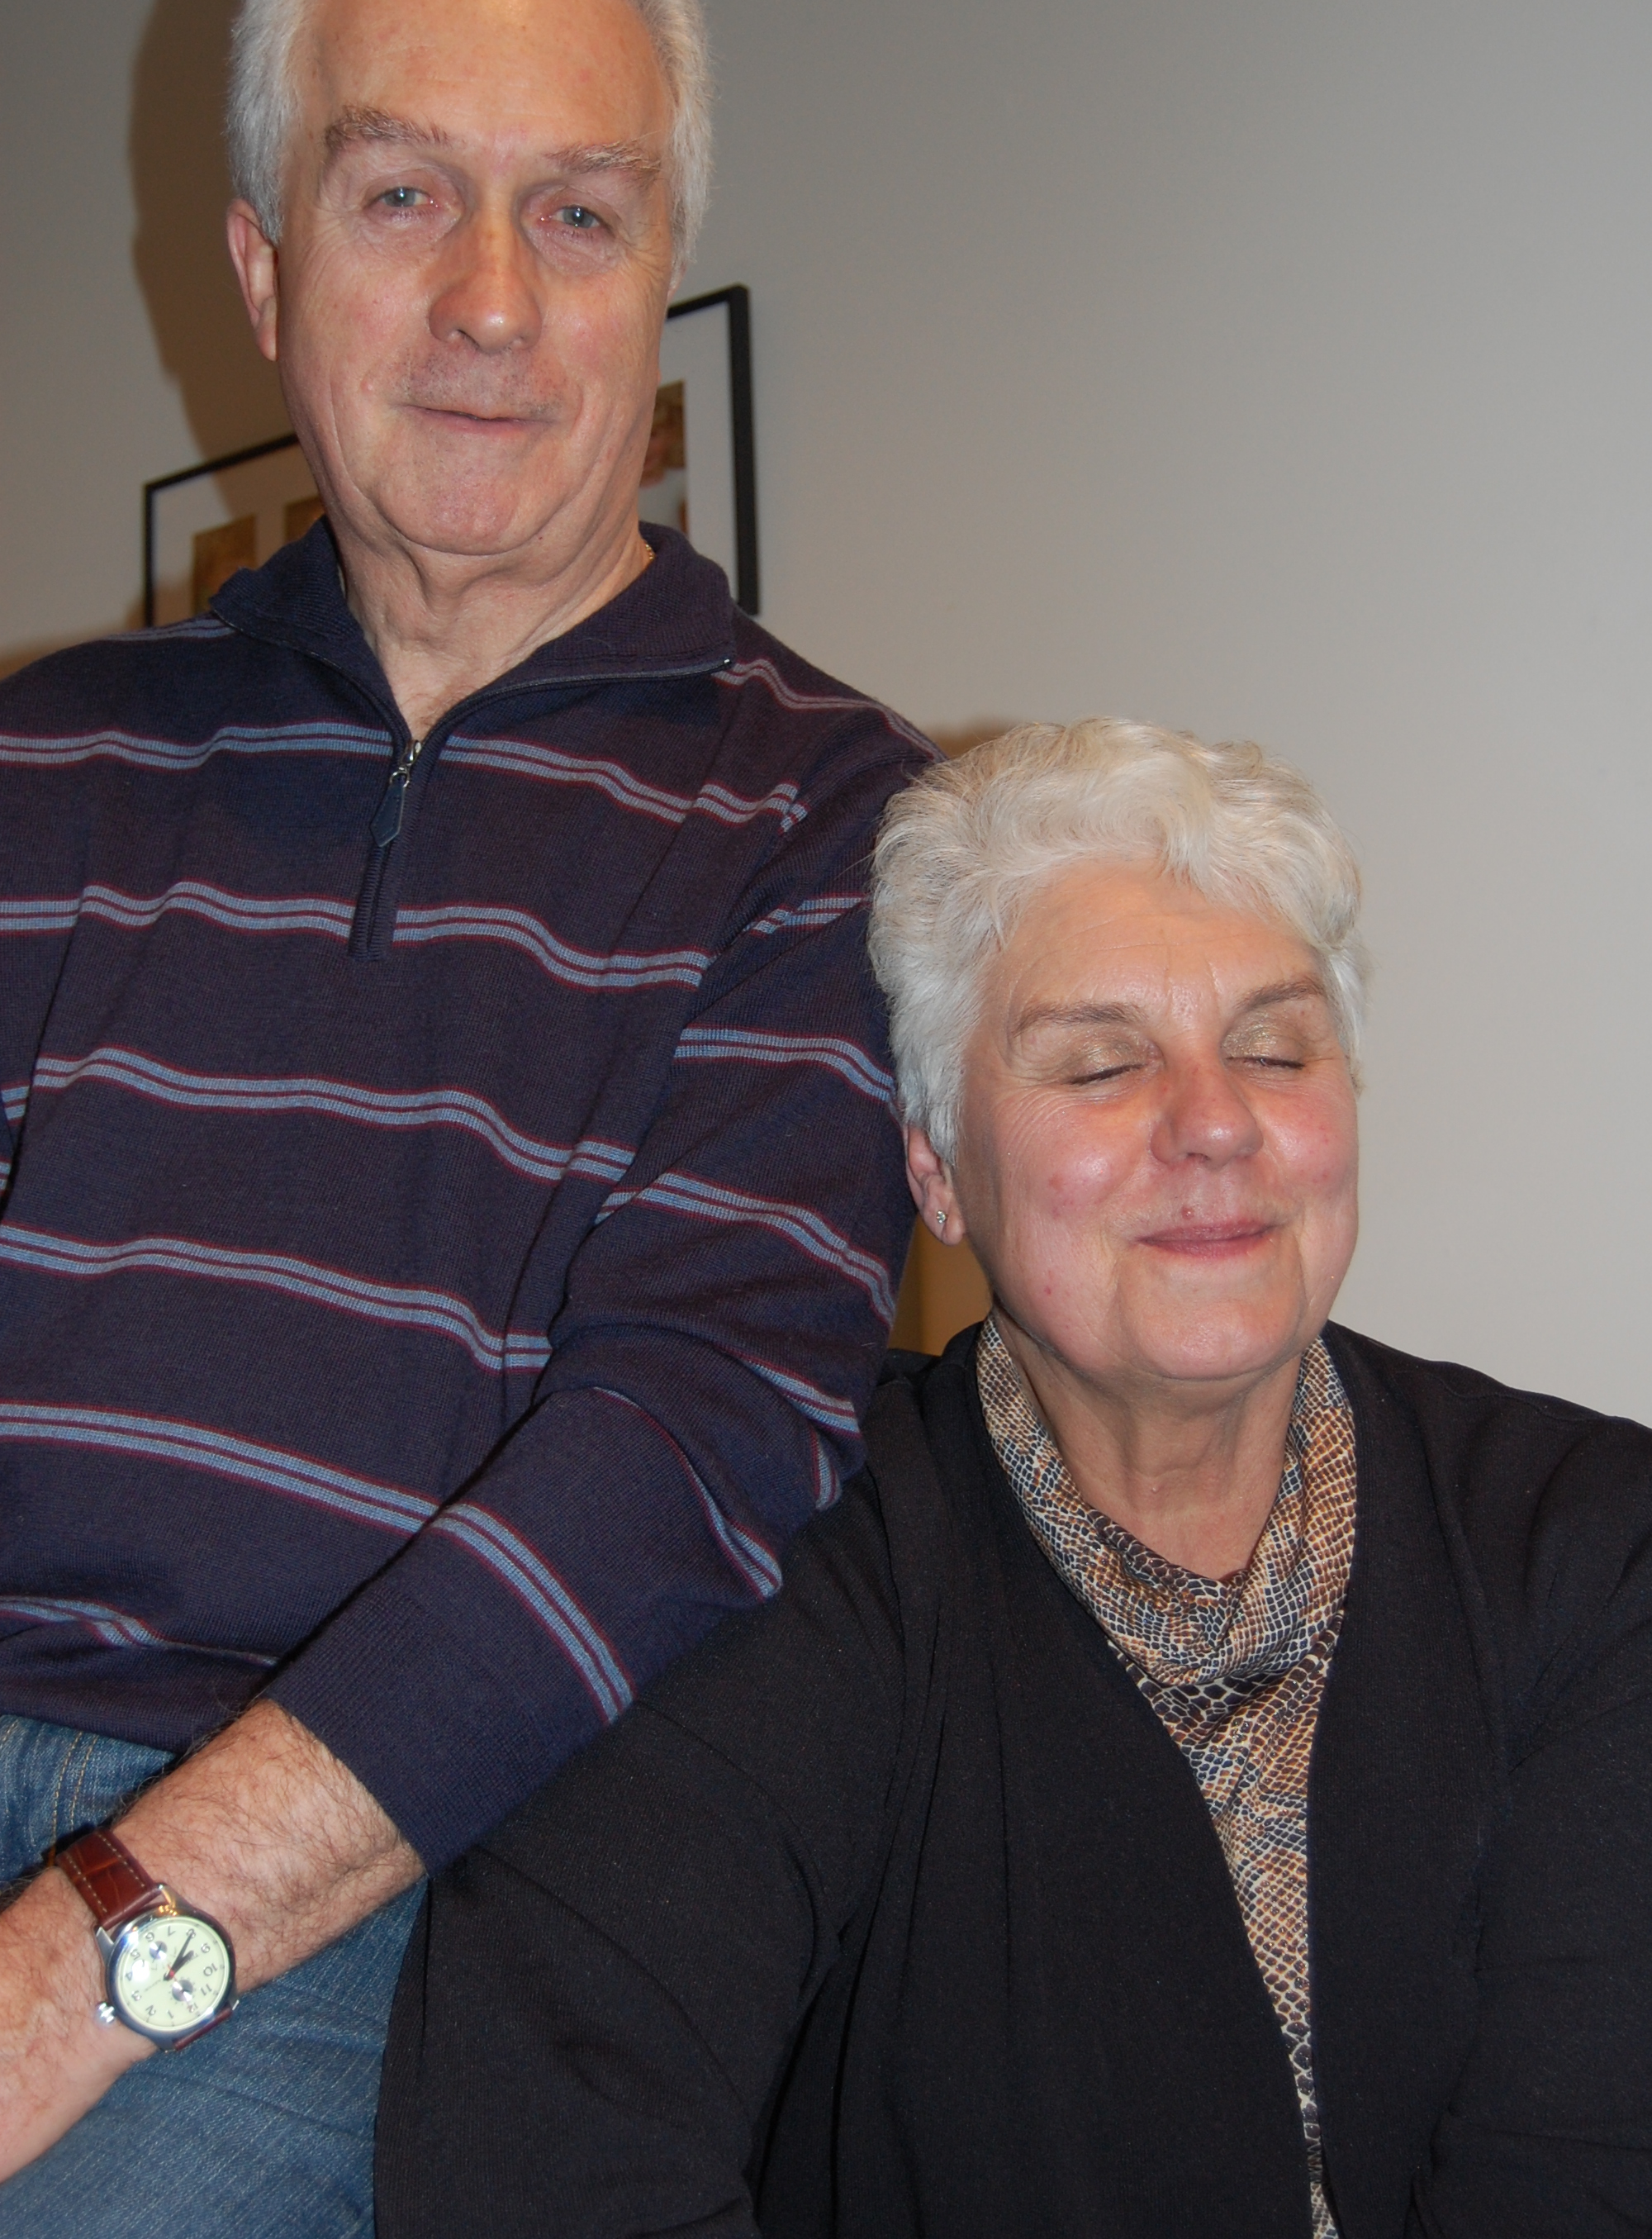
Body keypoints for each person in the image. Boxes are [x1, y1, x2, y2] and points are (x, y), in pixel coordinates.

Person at [0, 0, 920, 2231]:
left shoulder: (831, 820)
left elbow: (685, 1450)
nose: (491, 301)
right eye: (401, 192)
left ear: (653, 275)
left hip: (356, 1870)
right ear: (262, 270)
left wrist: (84, 1959)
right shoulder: (42, 759)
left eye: (579, 215)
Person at [377, 718, 1652, 2239]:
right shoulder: (756, 1564)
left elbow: (1592, 2166)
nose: (1216, 1122)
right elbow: (550, 2153)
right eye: (1101, 1063)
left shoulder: (1593, 1546)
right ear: (934, 1168)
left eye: (1274, 1046)